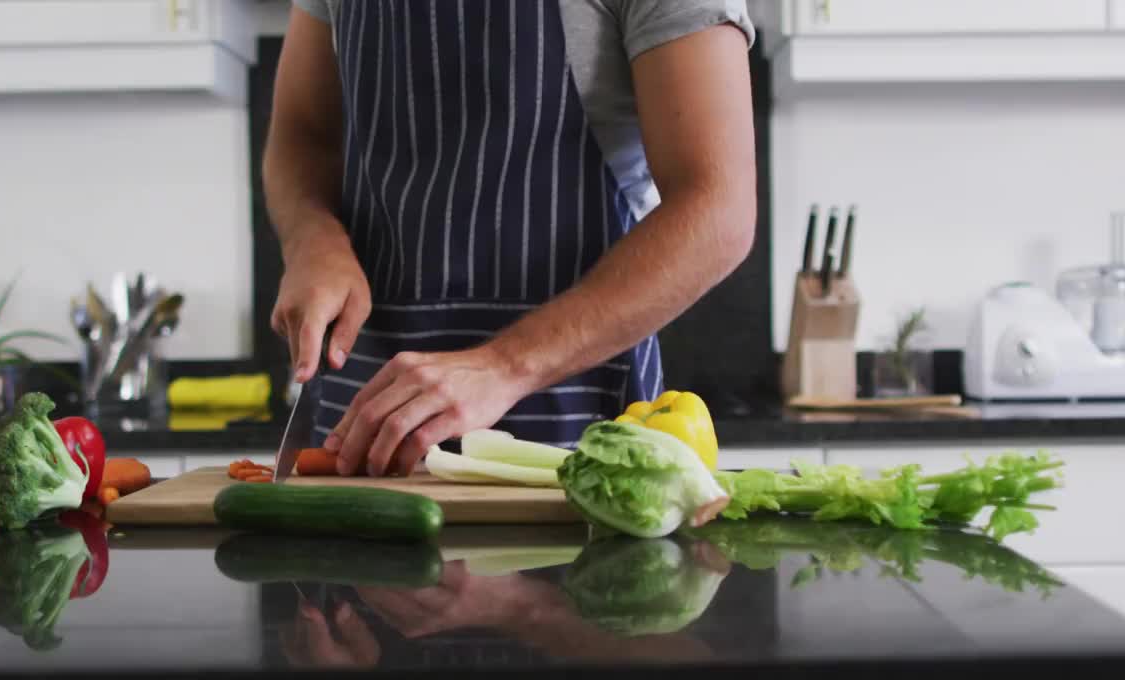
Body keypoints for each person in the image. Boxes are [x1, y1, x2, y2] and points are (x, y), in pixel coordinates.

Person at [265, 0, 757, 477]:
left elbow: (718, 208)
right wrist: (312, 238)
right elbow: (303, 136)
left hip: (574, 424)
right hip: (365, 419)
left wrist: (502, 367)